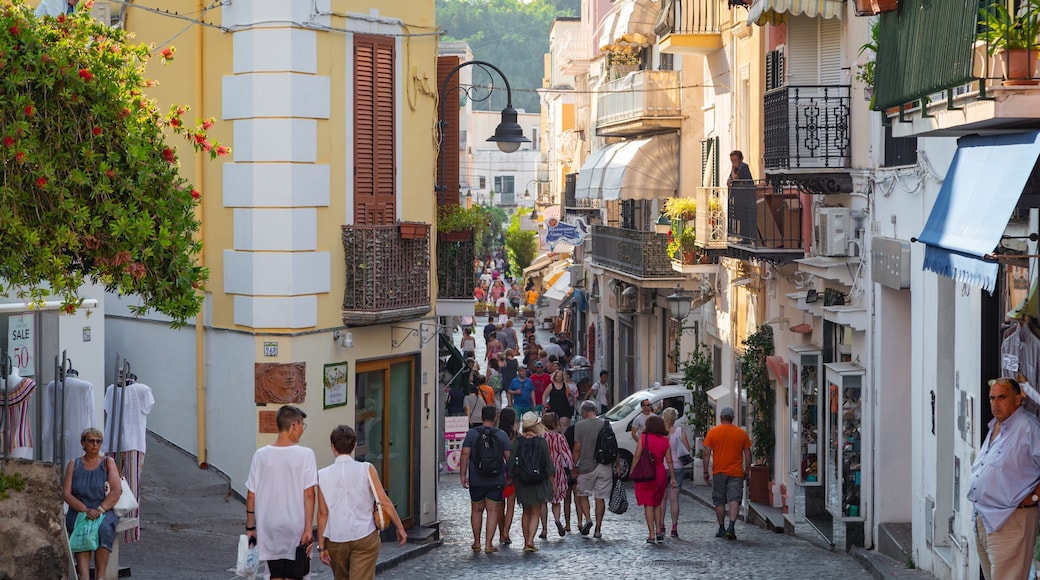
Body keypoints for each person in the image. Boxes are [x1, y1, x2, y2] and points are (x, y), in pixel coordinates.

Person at [968, 377, 1040, 579]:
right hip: (985, 518)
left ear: (1018, 399)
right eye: (992, 398)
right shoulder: (996, 426)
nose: (995, 403)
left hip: (1011, 519)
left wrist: (1034, 497)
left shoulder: (1028, 427)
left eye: (1002, 397)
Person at [316, 426, 406, 579]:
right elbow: (384, 501)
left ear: (332, 447)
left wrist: (321, 546)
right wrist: (400, 527)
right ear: (354, 446)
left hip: (336, 538)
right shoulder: (366, 469)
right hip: (365, 535)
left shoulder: (321, 475)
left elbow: (323, 514)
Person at [246, 405, 318, 580]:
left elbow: (251, 494)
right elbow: (309, 494)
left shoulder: (260, 455)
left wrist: (250, 527)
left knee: (275, 573)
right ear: (294, 425)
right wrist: (309, 528)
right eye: (302, 425)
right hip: (295, 524)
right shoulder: (306, 455)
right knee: (296, 573)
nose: (302, 430)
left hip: (268, 525)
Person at [63, 427, 121, 580]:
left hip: (104, 508)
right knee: (81, 526)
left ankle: (100, 576)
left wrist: (100, 509)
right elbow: (66, 494)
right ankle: (84, 575)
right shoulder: (73, 464)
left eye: (98, 441)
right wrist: (85, 509)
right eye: (91, 441)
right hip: (79, 509)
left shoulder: (108, 462)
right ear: (83, 443)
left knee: (103, 528)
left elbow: (116, 491)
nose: (95, 444)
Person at [460, 406, 512, 553]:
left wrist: (463, 474)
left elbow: (465, 454)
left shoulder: (472, 434)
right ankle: (489, 544)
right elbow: (509, 457)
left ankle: (476, 542)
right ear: (495, 418)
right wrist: (510, 476)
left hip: (476, 479)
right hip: (496, 479)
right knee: (493, 510)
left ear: (481, 417)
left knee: (476, 510)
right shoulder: (501, 434)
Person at [703, 406, 751, 540]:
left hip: (718, 471)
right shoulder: (741, 433)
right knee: (734, 499)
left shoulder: (713, 432)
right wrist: (747, 469)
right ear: (733, 418)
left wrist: (705, 470)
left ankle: (721, 527)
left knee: (719, 500)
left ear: (721, 418)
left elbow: (706, 453)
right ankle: (731, 527)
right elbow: (747, 453)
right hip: (736, 472)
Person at [509, 412, 555, 552]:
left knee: (525, 512)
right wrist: (553, 483)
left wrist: (510, 477)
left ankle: (525, 542)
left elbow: (511, 463)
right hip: (538, 481)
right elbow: (548, 465)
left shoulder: (517, 442)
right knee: (535, 512)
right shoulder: (541, 443)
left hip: (522, 481)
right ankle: (530, 541)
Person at [572, 401, 614, 539]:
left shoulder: (579, 426)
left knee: (583, 494)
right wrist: (617, 465)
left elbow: (577, 448)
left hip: (586, 466)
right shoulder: (606, 424)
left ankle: (588, 519)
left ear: (584, 412)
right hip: (604, 466)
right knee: (600, 497)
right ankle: (598, 528)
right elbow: (613, 445)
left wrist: (574, 465)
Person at [632, 415, 675, 544]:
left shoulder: (644, 438)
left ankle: (651, 534)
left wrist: (632, 471)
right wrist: (672, 477)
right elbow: (669, 461)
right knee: (657, 503)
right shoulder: (665, 440)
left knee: (648, 504)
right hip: (660, 473)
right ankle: (658, 531)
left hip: (646, 473)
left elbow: (637, 456)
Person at [538, 413, 573, 539]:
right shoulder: (560, 438)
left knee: (543, 501)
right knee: (556, 500)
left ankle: (544, 529)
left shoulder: (541, 437)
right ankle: (557, 519)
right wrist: (571, 467)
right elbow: (567, 455)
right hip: (557, 470)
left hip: (543, 472)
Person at [662, 407, 692, 538]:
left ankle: (661, 525)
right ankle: (674, 527)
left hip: (662, 467)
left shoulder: (660, 433)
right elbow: (687, 449)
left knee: (662, 499)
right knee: (674, 500)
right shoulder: (680, 432)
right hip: (678, 467)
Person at [496, 408, 519, 546]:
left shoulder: (497, 434)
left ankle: (500, 533)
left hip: (498, 473)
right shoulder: (516, 435)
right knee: (510, 505)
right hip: (512, 473)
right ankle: (506, 532)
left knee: (499, 505)